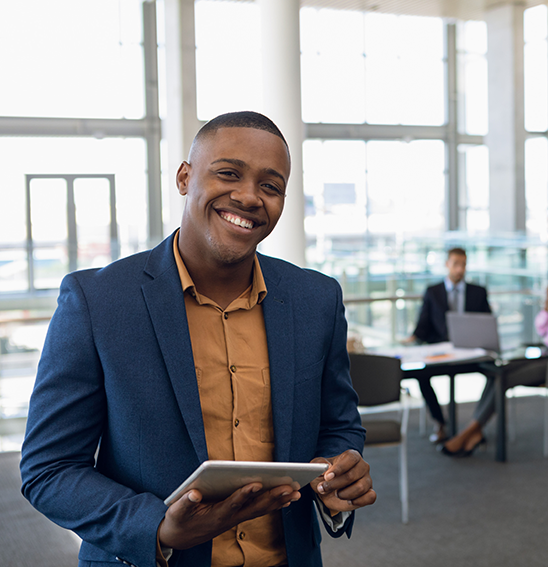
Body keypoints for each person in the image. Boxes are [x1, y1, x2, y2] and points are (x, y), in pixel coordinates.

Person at [19, 111, 375, 567]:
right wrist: (159, 527)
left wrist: (335, 471)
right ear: (185, 177)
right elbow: (49, 469)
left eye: (270, 186)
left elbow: (339, 424)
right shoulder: (98, 302)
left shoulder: (316, 299)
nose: (249, 197)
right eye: (228, 173)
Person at [440, 257, 548, 457]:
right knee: (498, 370)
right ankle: (475, 430)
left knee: (505, 378)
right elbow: (543, 330)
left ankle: (470, 431)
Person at [406, 248, 491, 443]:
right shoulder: (433, 292)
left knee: (496, 373)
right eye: (456, 264)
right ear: (447, 264)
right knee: (421, 374)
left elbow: (486, 323)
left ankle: (475, 425)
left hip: (470, 350)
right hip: (441, 350)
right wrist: (412, 338)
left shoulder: (478, 292)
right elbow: (423, 325)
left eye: (463, 264)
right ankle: (440, 422)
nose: (460, 269)